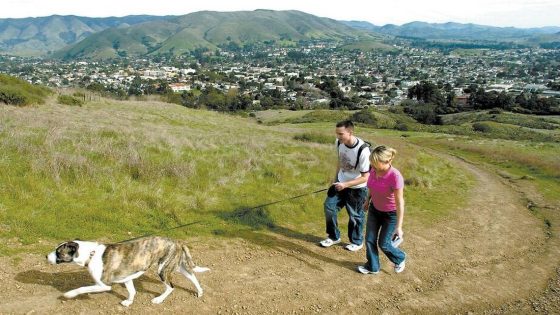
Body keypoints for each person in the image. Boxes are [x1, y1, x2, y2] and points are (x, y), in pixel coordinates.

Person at [320, 120, 370, 252]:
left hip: (357, 189)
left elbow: (366, 177)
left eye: (341, 134)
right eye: (337, 133)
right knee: (329, 207)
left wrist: (345, 184)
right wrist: (335, 179)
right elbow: (340, 162)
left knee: (355, 215)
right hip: (340, 183)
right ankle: (333, 236)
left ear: (350, 132)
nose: (338, 136)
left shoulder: (363, 150)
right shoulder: (339, 143)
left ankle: (357, 241)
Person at [357, 145, 407, 274]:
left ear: (388, 161)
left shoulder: (395, 176)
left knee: (384, 244)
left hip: (390, 214)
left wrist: (399, 227)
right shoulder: (374, 171)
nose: (372, 167)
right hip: (375, 210)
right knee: (369, 239)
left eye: (376, 164)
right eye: (372, 163)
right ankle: (373, 267)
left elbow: (400, 202)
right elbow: (372, 187)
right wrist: (367, 201)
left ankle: (400, 258)